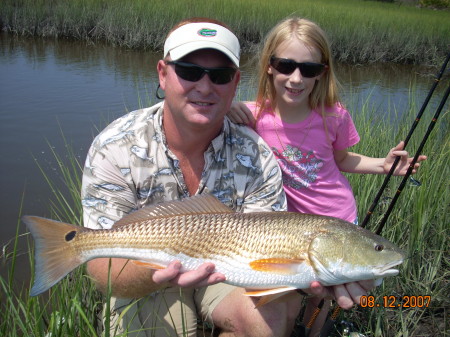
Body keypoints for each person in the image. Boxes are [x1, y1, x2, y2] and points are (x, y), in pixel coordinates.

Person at [81, 17, 374, 337]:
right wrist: (160, 273)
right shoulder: (115, 147)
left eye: (219, 76)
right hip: (146, 274)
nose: (204, 87)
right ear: (163, 74)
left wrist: (312, 281)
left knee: (271, 319)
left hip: (230, 273)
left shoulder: (259, 157)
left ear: (235, 83)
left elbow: (269, 259)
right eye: (189, 71)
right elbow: (102, 268)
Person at [227, 17, 427, 336]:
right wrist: (227, 107)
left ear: (323, 71)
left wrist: (384, 165)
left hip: (337, 219)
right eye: (285, 65)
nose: (296, 78)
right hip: (286, 230)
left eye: (309, 69)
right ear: (268, 66)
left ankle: (311, 332)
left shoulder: (333, 115)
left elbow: (343, 159)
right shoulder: (252, 115)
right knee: (288, 290)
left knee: (319, 301)